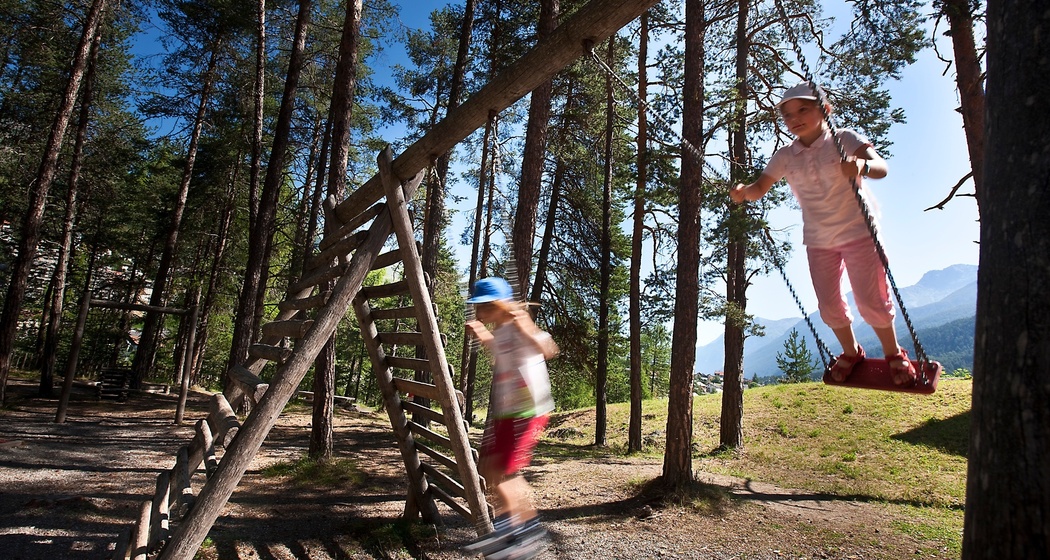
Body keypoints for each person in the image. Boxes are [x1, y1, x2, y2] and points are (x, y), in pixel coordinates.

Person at [729, 82, 917, 386]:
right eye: (787, 115)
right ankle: (851, 351)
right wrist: (743, 193)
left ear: (824, 110)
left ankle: (894, 353)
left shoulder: (844, 139)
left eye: (803, 109)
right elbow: (759, 188)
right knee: (828, 305)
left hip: (859, 231)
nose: (795, 118)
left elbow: (881, 167)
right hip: (818, 240)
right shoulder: (785, 156)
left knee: (871, 301)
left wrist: (861, 165)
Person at [462, 276, 558, 559]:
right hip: (508, 409)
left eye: (484, 308)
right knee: (490, 468)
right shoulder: (502, 329)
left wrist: (528, 326)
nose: (479, 313)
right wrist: (482, 335)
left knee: (505, 475)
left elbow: (548, 349)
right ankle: (519, 534)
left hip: (529, 408)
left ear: (499, 305)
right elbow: (502, 351)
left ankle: (519, 538)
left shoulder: (518, 324)